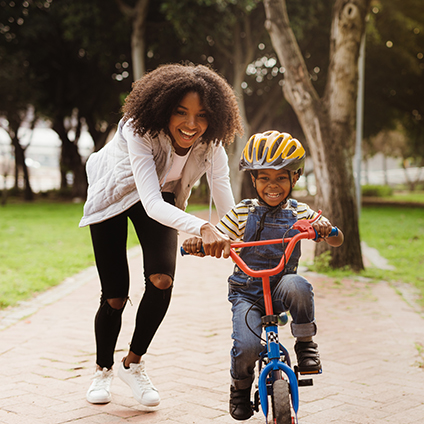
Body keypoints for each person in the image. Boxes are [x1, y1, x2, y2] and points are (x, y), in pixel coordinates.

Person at [79, 63, 243, 406]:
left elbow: (224, 194)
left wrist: (237, 233)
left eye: (201, 115)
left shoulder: (211, 145)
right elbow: (151, 203)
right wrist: (202, 226)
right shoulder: (139, 130)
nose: (191, 124)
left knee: (162, 279)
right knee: (114, 295)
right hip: (113, 195)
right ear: (163, 109)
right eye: (181, 112)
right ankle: (102, 369)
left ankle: (132, 364)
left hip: (160, 196)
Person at [182, 130, 344, 420]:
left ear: (294, 178)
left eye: (281, 177)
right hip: (248, 292)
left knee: (299, 284)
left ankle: (305, 344)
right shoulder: (243, 212)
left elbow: (337, 239)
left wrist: (324, 230)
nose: (273, 185)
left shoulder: (300, 213)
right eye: (264, 178)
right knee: (245, 347)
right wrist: (202, 242)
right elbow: (219, 235)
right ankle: (240, 389)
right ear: (253, 180)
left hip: (281, 287)